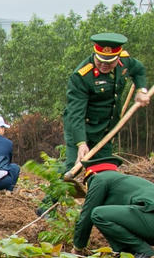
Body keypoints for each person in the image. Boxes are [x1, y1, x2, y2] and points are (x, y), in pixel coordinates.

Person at [73, 161, 154, 258]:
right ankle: (127, 254)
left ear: (92, 174)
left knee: (98, 214)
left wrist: (78, 247)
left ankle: (143, 253)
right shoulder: (126, 182)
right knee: (109, 216)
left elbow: (87, 215)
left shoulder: (99, 178)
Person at [62, 32, 148, 175]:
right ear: (95, 54)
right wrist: (81, 143)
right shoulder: (81, 76)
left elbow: (139, 70)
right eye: (100, 61)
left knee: (104, 170)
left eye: (109, 62)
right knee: (73, 169)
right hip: (81, 128)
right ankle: (56, 189)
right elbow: (76, 113)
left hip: (105, 129)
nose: (103, 65)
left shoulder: (124, 62)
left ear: (118, 58)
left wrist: (141, 90)